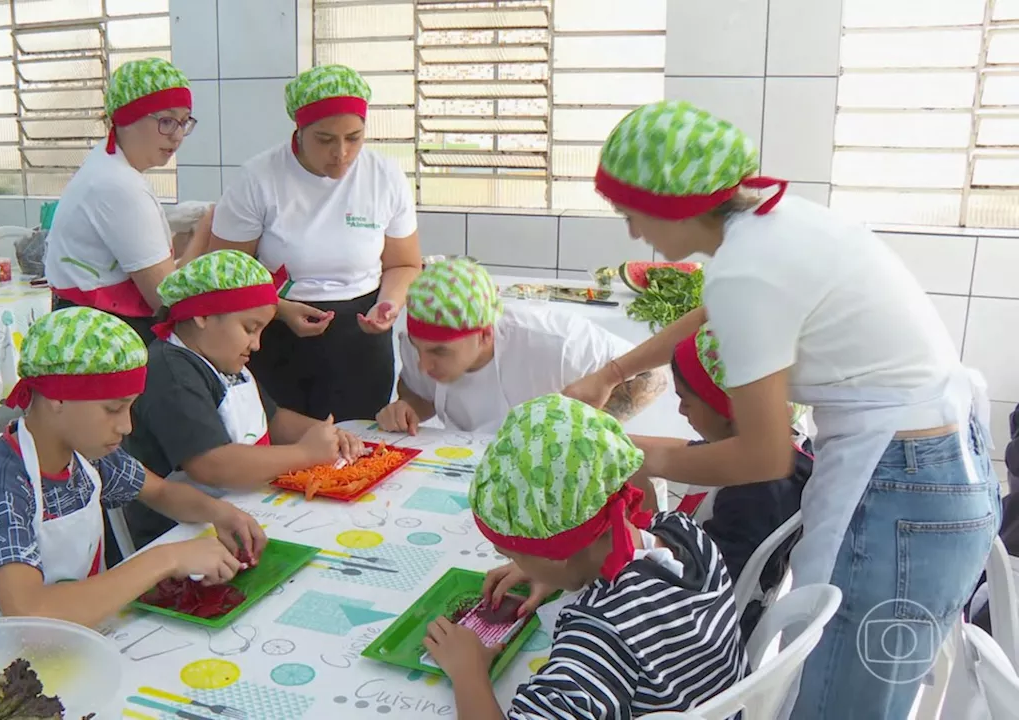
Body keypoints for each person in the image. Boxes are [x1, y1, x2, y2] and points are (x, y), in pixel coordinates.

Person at [565, 100, 1000, 718]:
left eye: (632, 213)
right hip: (946, 464)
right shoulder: (774, 223)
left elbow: (763, 456)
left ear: (676, 206)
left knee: (843, 701)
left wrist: (633, 453)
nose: (636, 233)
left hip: (907, 483)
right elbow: (715, 311)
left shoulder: (745, 268)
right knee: (867, 685)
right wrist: (611, 373)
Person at [424, 394, 744, 719]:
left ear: (555, 555)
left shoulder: (598, 640)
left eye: (517, 555)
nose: (516, 564)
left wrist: (469, 673)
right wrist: (552, 572)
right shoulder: (684, 533)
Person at [0, 307, 266, 627]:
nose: (126, 426)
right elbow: (30, 611)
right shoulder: (2, 483)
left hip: (79, 631)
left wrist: (220, 513)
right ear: (58, 398)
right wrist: (168, 558)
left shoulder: (88, 457)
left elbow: (160, 491)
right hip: (4, 652)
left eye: (130, 408)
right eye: (113, 409)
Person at [205, 64, 421, 421]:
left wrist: (389, 304)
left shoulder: (385, 177)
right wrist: (278, 308)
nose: (342, 153)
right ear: (299, 129)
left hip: (361, 338)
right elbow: (223, 274)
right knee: (284, 460)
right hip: (275, 333)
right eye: (325, 139)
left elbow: (404, 263)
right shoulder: (259, 179)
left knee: (361, 454)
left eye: (354, 137)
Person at [120, 250, 365, 547]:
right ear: (203, 315)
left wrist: (329, 436)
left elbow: (273, 419)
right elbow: (211, 464)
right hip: (183, 535)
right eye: (249, 328)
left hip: (241, 511)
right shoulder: (172, 371)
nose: (257, 344)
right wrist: (306, 454)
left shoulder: (221, 359)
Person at [632, 323, 814, 638]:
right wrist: (617, 442)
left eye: (686, 401)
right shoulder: (778, 442)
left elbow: (693, 577)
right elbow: (687, 452)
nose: (680, 410)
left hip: (702, 631)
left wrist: (644, 516)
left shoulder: (755, 492)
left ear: (725, 406)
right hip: (718, 604)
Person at [377, 257, 666, 435]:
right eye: (419, 348)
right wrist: (406, 409)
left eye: (440, 351)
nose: (424, 366)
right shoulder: (418, 350)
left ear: (485, 335)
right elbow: (420, 393)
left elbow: (652, 376)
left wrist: (577, 434)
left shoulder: (554, 342)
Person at [46, 58, 195, 344]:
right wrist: (206, 234)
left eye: (184, 121)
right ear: (127, 118)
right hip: (101, 339)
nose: (177, 136)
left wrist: (186, 235)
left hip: (86, 328)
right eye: (166, 121)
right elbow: (167, 302)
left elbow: (135, 259)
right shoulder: (118, 185)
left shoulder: (108, 165)